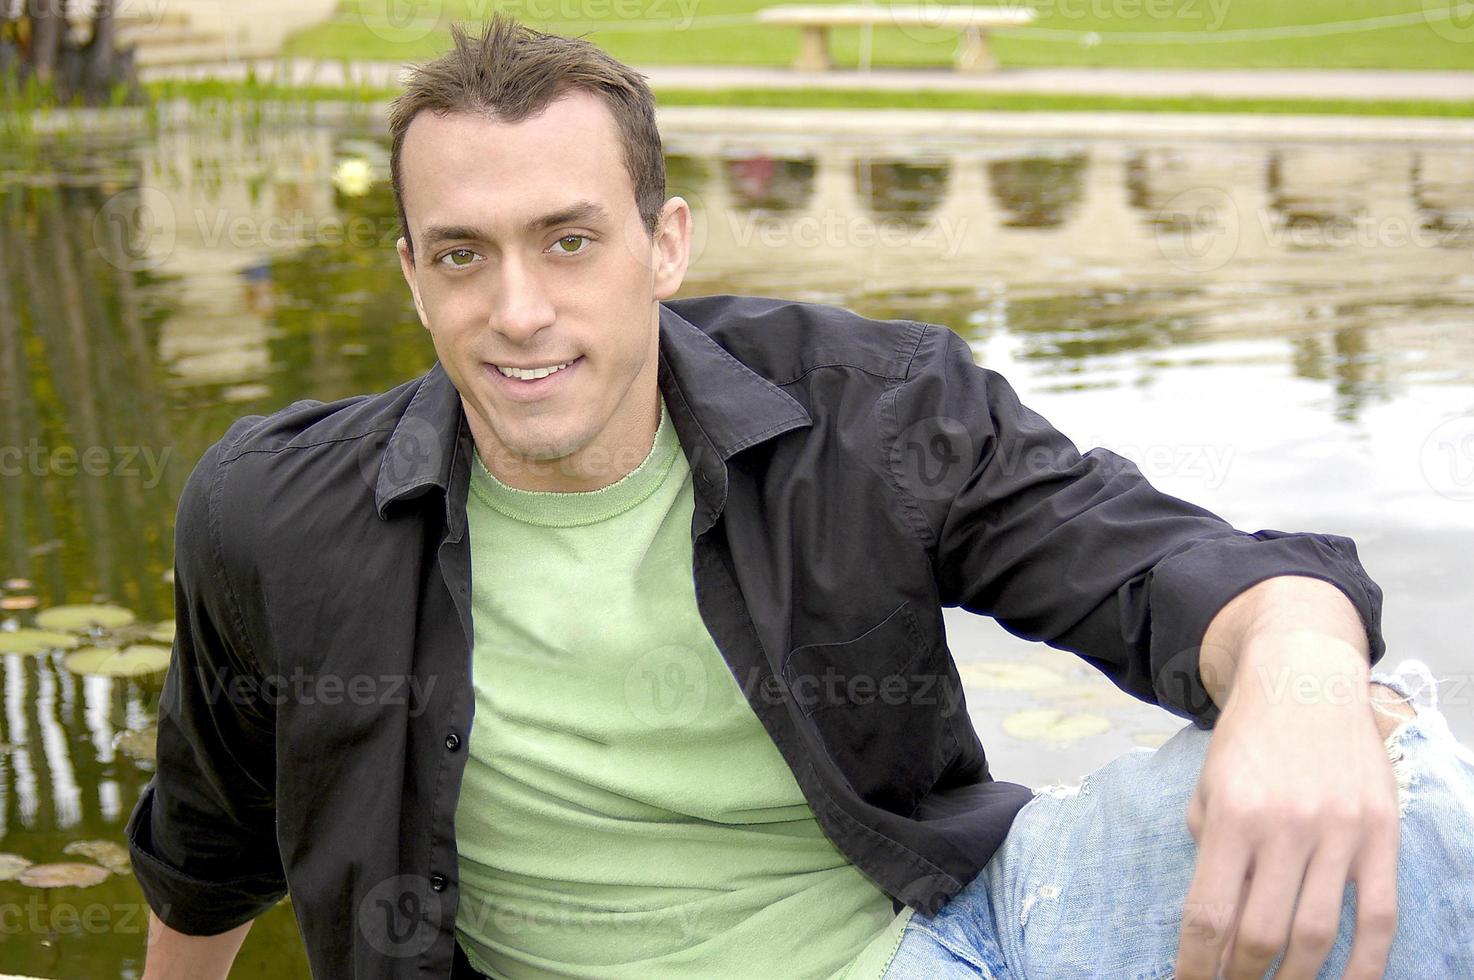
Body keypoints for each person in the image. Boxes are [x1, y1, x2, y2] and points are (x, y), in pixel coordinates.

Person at [126, 15, 1474, 980]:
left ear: (662, 244)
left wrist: (1297, 663)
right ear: (412, 275)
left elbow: (1139, 564)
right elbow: (213, 834)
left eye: (570, 239)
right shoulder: (277, 512)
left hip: (980, 919)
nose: (518, 309)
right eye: (463, 255)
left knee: (1397, 779)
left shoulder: (865, 408)